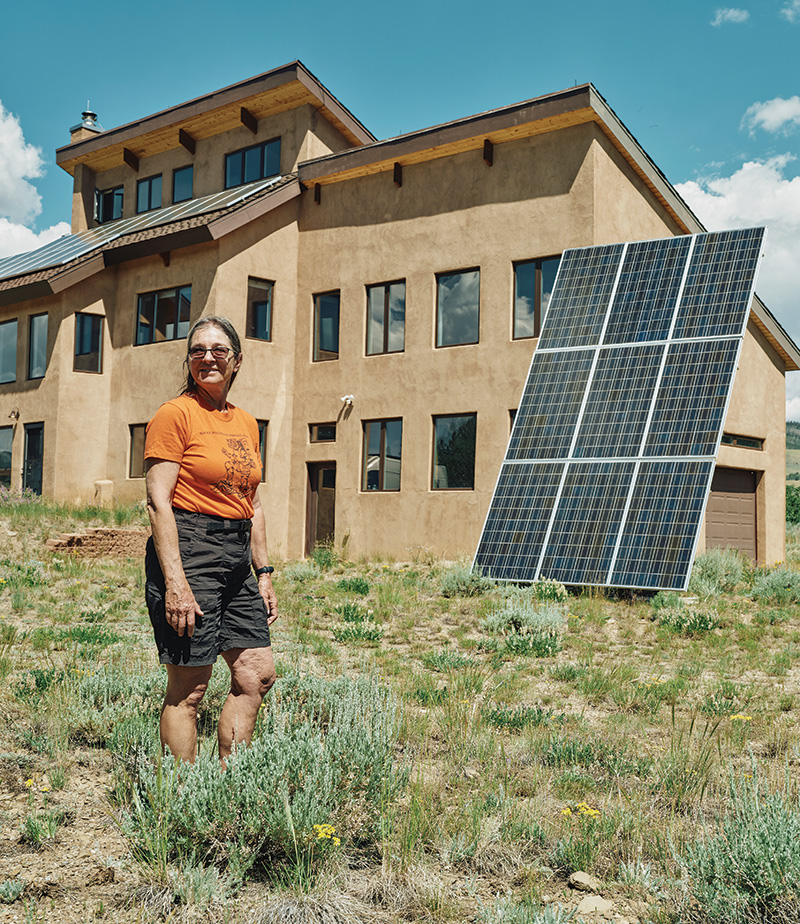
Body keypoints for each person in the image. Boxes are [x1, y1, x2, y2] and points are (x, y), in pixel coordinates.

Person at [144, 315, 278, 764]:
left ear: (237, 360)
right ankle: (181, 802)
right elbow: (158, 502)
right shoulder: (175, 414)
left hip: (238, 553)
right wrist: (176, 582)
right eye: (198, 350)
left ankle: (229, 788)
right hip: (191, 546)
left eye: (218, 350)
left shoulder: (246, 422)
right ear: (189, 361)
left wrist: (264, 573)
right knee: (190, 687)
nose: (208, 358)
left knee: (256, 674)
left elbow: (252, 503)